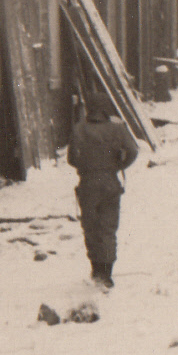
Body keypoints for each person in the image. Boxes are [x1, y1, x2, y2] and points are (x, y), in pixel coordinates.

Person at [69, 95, 141, 286]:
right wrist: (119, 166)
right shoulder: (117, 128)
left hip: (88, 183)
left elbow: (71, 159)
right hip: (110, 182)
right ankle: (107, 273)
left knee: (91, 227)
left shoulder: (79, 129)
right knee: (108, 227)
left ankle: (96, 269)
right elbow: (133, 151)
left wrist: (86, 165)